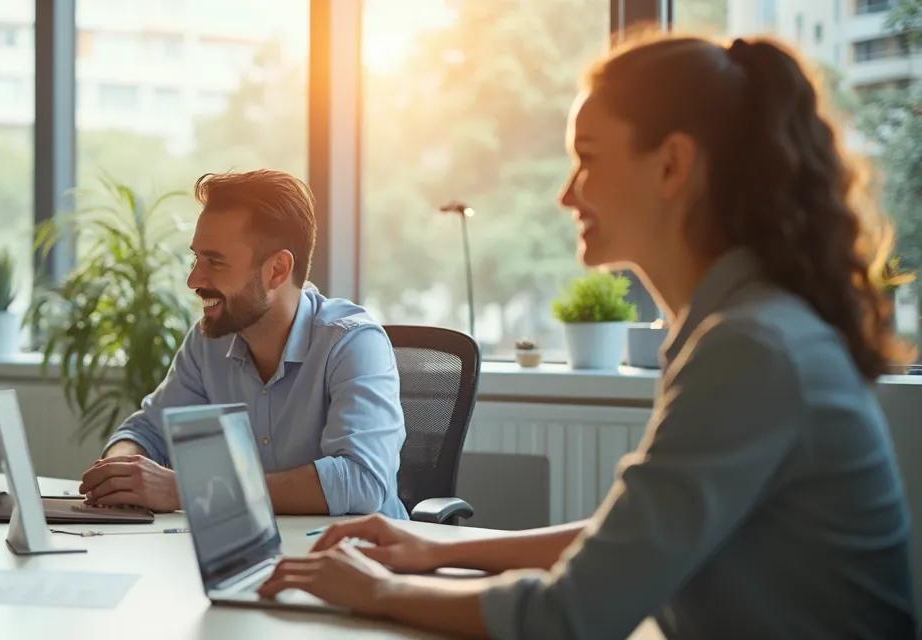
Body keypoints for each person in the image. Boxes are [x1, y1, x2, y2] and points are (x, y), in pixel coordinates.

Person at [257, 34, 917, 638]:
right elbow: (628, 538)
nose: (568, 196)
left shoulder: (752, 348)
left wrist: (381, 590)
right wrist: (438, 547)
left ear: (671, 166)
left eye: (589, 160)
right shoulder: (743, 329)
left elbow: (570, 614)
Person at [77, 169, 407, 518]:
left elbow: (360, 482)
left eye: (215, 262)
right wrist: (120, 475)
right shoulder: (209, 342)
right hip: (255, 553)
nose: (193, 280)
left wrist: (185, 489)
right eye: (196, 259)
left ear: (277, 270)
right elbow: (147, 432)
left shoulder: (352, 344)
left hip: (361, 561)